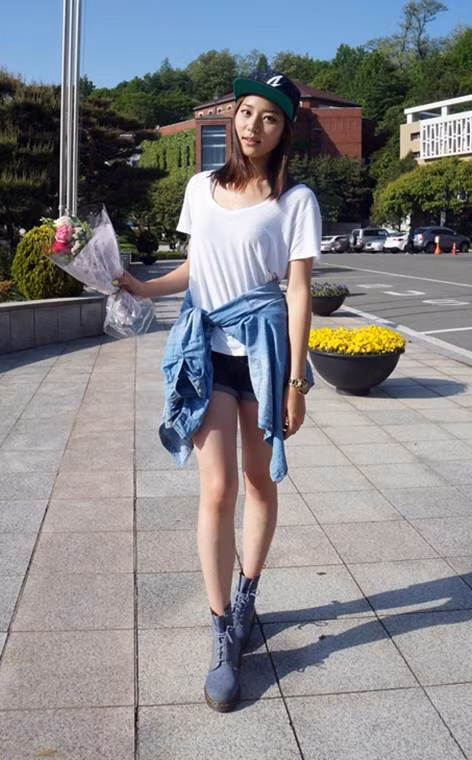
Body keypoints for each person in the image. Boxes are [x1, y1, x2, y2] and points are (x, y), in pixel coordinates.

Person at [118, 70, 321, 712]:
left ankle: (246, 597)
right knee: (217, 489)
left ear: (285, 130)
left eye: (270, 117)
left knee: (259, 482)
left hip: (263, 355)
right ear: (234, 118)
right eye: (247, 112)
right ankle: (221, 629)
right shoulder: (200, 188)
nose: (254, 125)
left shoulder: (295, 200)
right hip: (206, 350)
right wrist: (142, 286)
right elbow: (196, 268)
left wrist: (296, 382)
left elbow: (298, 290)